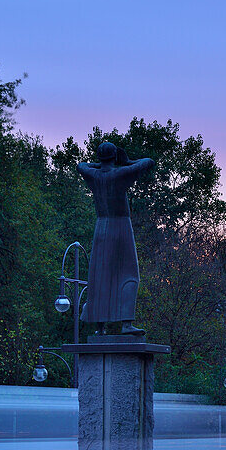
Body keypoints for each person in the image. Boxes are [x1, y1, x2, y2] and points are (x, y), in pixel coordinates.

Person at [77, 142, 154, 335]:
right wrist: (126, 161)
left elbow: (81, 165)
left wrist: (99, 165)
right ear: (115, 157)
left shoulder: (93, 175)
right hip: (121, 226)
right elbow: (148, 162)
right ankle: (126, 324)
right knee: (129, 274)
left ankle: (99, 326)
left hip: (101, 227)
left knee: (100, 277)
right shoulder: (119, 174)